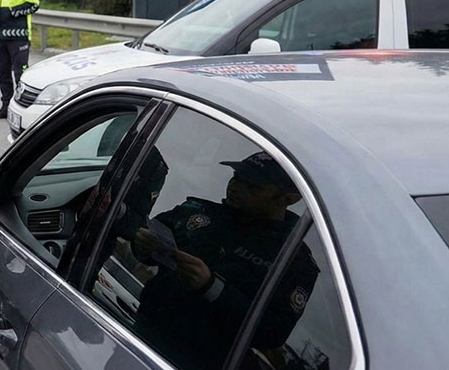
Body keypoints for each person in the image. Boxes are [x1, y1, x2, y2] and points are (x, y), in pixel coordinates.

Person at [130, 152, 319, 370]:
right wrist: (143, 245)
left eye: (253, 186)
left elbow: (272, 333)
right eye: (236, 176)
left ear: (288, 199)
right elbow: (142, 240)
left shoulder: (293, 262)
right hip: (137, 335)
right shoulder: (198, 212)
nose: (236, 187)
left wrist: (212, 288)